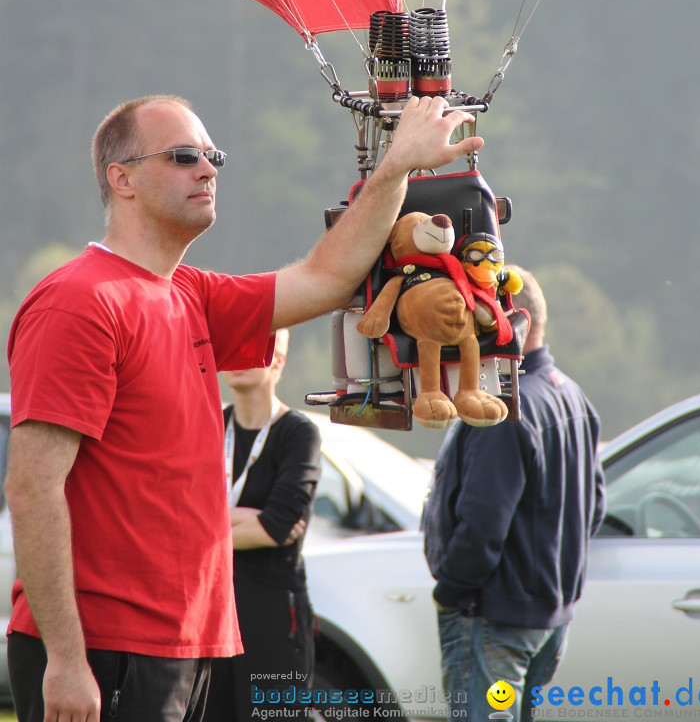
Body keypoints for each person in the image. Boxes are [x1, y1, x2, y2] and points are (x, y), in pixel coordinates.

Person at [4, 91, 483, 722]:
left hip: (194, 643)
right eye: (183, 156)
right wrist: (66, 660)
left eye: (213, 156)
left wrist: (394, 168)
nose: (207, 170)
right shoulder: (80, 302)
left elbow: (326, 278)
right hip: (106, 649)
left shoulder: (190, 293)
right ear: (120, 179)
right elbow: (34, 487)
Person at [423, 267, 605, 722]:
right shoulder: (574, 395)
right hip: (550, 618)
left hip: (494, 620)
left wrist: (452, 590)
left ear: (510, 320)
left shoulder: (503, 406)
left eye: (472, 313)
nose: (462, 326)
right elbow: (595, 506)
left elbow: (482, 524)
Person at [203, 328, 321, 721]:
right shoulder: (209, 426)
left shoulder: (298, 432)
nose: (238, 359)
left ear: (279, 361)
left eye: (253, 350)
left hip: (271, 611)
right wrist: (246, 521)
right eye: (231, 349)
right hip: (211, 608)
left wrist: (206, 528)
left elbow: (277, 526)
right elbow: (176, 515)